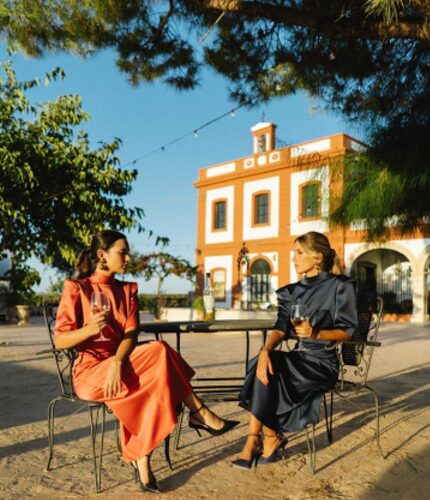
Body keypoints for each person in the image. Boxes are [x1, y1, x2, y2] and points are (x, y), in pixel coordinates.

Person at [54, 230, 238, 493]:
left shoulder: (127, 290)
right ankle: (199, 413)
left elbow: (131, 333)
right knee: (160, 353)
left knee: (155, 383)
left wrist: (118, 361)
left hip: (121, 366)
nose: (128, 257)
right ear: (101, 255)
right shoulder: (77, 288)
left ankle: (144, 463)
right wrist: (89, 330)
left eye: (128, 252)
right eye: (123, 252)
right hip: (91, 373)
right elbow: (61, 340)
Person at [232, 231, 358, 468]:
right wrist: (265, 350)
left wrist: (316, 334)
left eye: (299, 253)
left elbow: (348, 330)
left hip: (323, 363)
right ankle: (262, 438)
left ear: (318, 257)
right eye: (293, 253)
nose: (293, 258)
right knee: (263, 363)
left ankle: (261, 440)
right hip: (299, 357)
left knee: (268, 370)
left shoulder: (341, 286)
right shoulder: (290, 292)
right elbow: (281, 328)